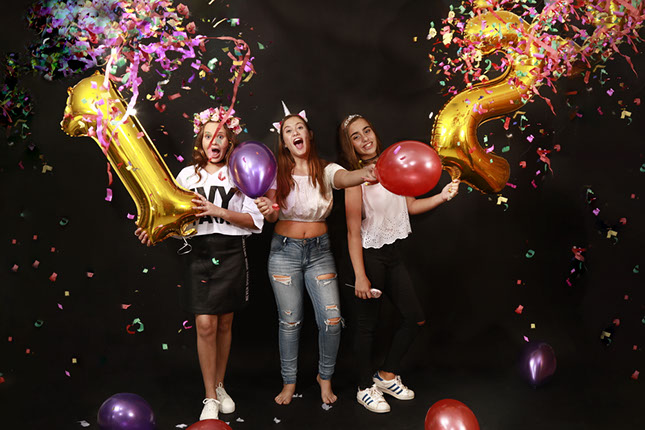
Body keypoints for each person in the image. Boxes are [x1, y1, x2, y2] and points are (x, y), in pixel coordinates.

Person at [135, 107, 265, 421]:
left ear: (229, 141)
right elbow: (174, 220)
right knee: (206, 324)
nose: (213, 141)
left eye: (220, 136)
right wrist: (154, 232)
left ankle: (220, 386)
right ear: (200, 141)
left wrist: (217, 211)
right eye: (208, 136)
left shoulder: (240, 172)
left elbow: (255, 221)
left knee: (225, 324)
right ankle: (210, 397)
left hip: (232, 252)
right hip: (200, 254)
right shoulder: (186, 176)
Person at [254, 110, 377, 406]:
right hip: (284, 253)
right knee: (290, 322)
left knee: (332, 321)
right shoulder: (276, 172)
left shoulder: (325, 169)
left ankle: (325, 377)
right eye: (288, 131)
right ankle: (289, 382)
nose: (295, 133)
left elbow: (345, 178)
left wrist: (365, 173)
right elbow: (272, 216)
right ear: (284, 142)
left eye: (300, 128)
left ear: (308, 135)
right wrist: (268, 210)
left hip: (319, 252)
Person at [338, 114, 459, 413]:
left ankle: (386, 375)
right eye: (356, 136)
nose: (365, 138)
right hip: (369, 257)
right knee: (367, 327)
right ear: (350, 146)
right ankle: (364, 388)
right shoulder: (355, 179)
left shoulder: (394, 166)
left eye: (367, 131)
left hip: (393, 254)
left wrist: (442, 196)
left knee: (414, 318)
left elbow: (411, 206)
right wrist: (360, 276)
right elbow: (353, 231)